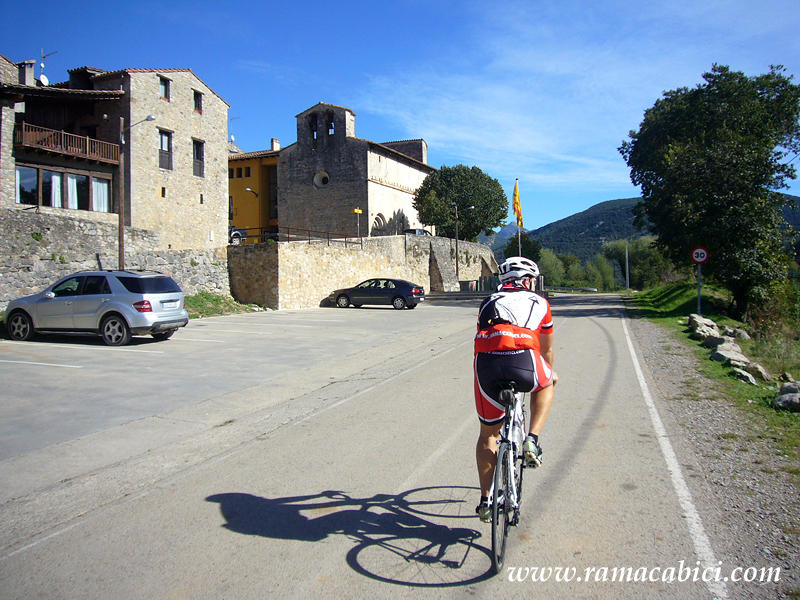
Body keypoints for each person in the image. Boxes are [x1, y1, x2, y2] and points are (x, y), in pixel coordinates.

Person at [473, 256, 557, 523]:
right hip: (524, 360)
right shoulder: (540, 302)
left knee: (488, 435)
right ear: (529, 280)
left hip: (486, 365)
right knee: (546, 382)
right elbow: (547, 350)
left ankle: (486, 500)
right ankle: (531, 439)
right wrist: (549, 372)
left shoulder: (487, 301)